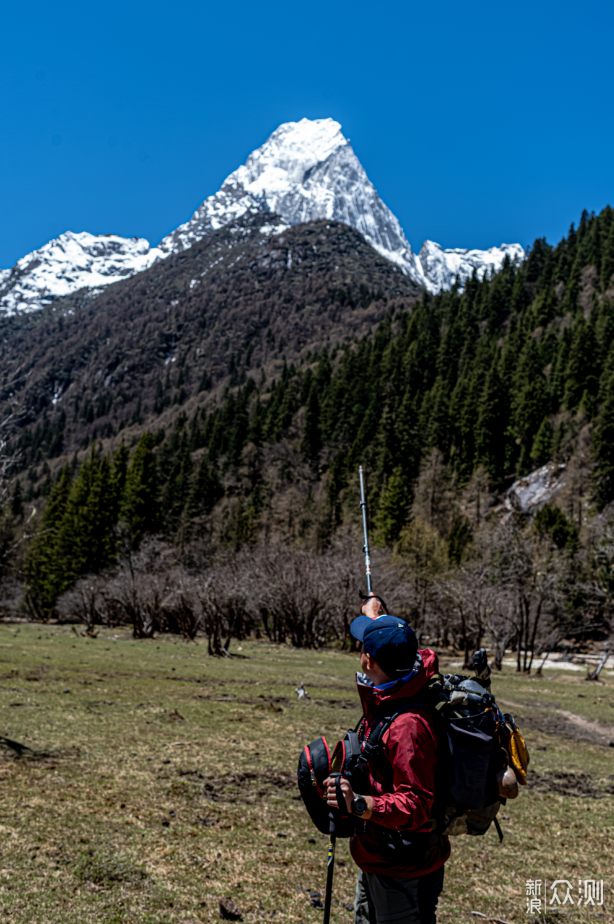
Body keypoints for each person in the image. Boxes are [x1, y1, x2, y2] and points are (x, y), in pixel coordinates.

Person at [324, 594, 449, 924]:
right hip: (381, 853)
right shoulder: (411, 672)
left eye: (364, 647)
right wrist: (377, 617)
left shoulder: (407, 727)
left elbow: (417, 804)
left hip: (402, 864)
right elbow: (406, 645)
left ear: (368, 661)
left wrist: (360, 804)